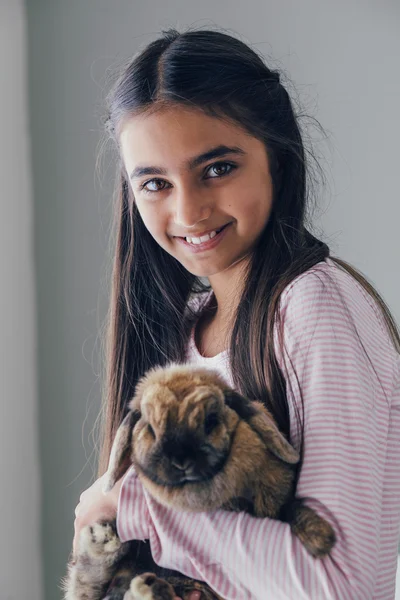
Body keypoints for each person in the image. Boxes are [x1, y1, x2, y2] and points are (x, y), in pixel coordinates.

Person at [72, 26, 400, 600]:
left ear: (276, 152)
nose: (189, 210)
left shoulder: (313, 307)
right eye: (154, 183)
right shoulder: (182, 330)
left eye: (218, 168)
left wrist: (136, 508)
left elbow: (340, 585)